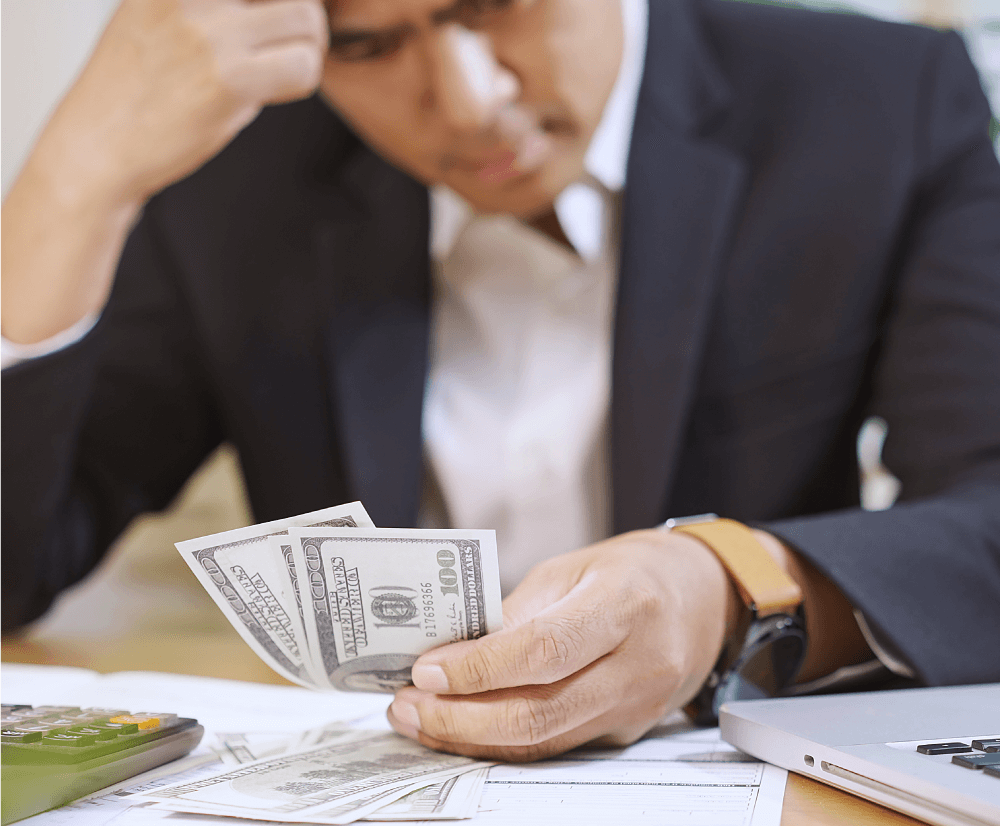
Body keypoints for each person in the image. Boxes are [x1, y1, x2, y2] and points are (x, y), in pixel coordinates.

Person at [2, 0, 1000, 762]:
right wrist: (72, 180)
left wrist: (727, 583)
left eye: (500, 1)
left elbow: (988, 516)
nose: (470, 101)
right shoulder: (235, 169)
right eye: (365, 44)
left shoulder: (876, 106)